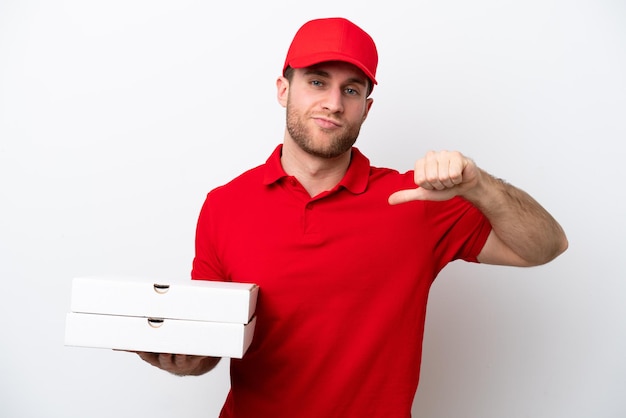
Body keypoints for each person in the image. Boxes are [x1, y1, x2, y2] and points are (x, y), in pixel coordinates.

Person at [137, 17, 568, 417]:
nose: (333, 103)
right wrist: (184, 359)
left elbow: (546, 246)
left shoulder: (414, 199)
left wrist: (480, 186)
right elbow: (211, 340)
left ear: (367, 106)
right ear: (283, 90)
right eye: (317, 82)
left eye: (351, 89)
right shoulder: (225, 205)